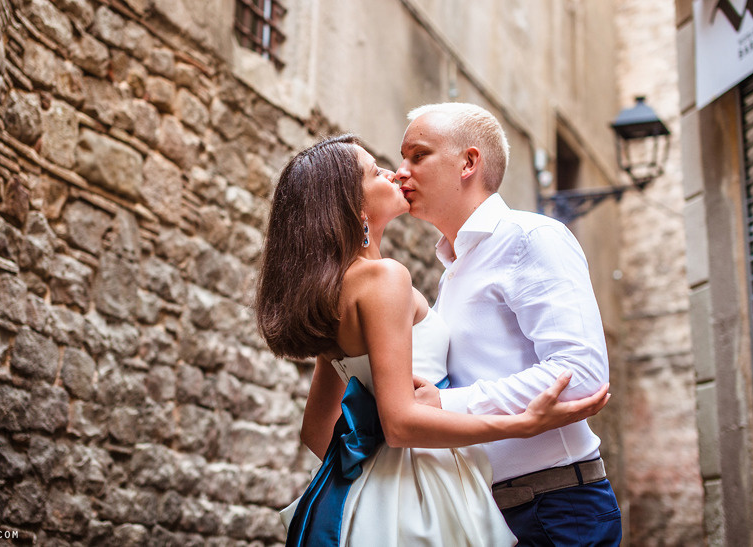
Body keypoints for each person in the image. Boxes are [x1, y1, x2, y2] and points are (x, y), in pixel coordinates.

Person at [255, 134, 611, 547]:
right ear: (354, 207)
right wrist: (523, 424)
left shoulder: (334, 291)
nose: (395, 173)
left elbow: (317, 429)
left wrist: (376, 481)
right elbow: (401, 422)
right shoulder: (386, 277)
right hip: (427, 498)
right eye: (376, 170)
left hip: (372, 502)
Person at [396, 102, 622, 546]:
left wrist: (447, 404)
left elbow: (580, 373)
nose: (400, 172)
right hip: (488, 513)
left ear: (468, 162)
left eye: (417, 155)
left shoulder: (530, 237)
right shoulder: (452, 271)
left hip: (557, 507)